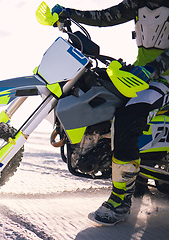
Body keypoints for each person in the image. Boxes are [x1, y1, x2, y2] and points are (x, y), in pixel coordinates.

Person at [52, 0, 169, 225]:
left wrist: (154, 68)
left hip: (163, 79)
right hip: (141, 74)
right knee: (98, 92)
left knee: (126, 121)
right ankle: (137, 177)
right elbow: (105, 16)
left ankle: (120, 201)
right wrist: (69, 13)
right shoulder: (139, 3)